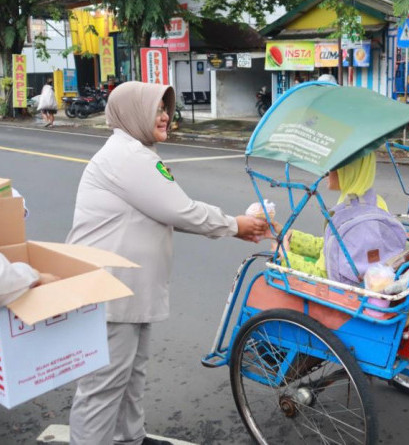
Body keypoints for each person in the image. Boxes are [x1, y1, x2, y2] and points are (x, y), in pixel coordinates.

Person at [67, 81, 268, 445]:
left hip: (125, 293)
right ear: (132, 114)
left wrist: (232, 228)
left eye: (165, 108)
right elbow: (179, 209)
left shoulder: (134, 153)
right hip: (108, 293)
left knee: (129, 378)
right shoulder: (127, 156)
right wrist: (235, 225)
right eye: (156, 109)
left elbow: (167, 214)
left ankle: (130, 438)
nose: (164, 116)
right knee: (102, 388)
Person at [277, 151, 405, 285]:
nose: (327, 172)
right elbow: (333, 249)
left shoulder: (348, 215)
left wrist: (287, 257)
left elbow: (326, 275)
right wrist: (292, 238)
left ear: (347, 171)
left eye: (332, 167)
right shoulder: (377, 202)